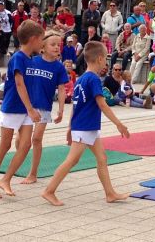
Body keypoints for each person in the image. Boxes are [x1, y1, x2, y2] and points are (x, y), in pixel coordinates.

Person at [41, 41, 130, 206]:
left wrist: (69, 127)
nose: (107, 63)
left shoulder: (82, 79)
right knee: (71, 160)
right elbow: (102, 104)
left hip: (87, 126)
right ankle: (49, 190)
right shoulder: (94, 79)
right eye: (106, 59)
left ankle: (110, 193)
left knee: (102, 158)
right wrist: (119, 124)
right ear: (100, 59)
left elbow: (76, 104)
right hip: (85, 127)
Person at [0, 20, 44, 199]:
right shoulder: (18, 57)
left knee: (25, 144)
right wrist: (30, 109)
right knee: (5, 144)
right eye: (41, 39)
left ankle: (6, 179)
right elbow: (19, 84)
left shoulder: (32, 59)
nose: (42, 43)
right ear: (33, 39)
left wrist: (33, 107)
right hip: (13, 107)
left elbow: (31, 85)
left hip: (27, 109)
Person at [17, 33, 69, 184]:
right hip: (27, 106)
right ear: (43, 47)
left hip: (44, 107)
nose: (56, 47)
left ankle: (33, 173)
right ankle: (19, 162)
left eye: (58, 45)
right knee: (21, 141)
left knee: (37, 138)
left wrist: (61, 109)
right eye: (52, 44)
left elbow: (61, 89)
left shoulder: (59, 67)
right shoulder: (32, 61)